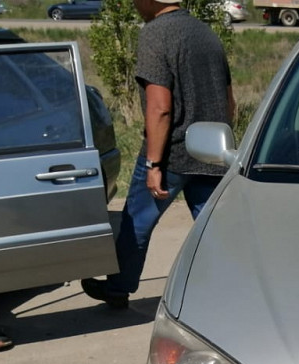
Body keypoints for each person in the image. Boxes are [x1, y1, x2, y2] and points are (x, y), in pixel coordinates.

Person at [81, 0, 235, 309]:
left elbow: (160, 107)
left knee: (137, 221)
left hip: (171, 154)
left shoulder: (155, 33)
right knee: (215, 230)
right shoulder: (206, 33)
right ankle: (233, 291)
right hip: (211, 152)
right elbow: (230, 101)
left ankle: (118, 288)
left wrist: (153, 163)